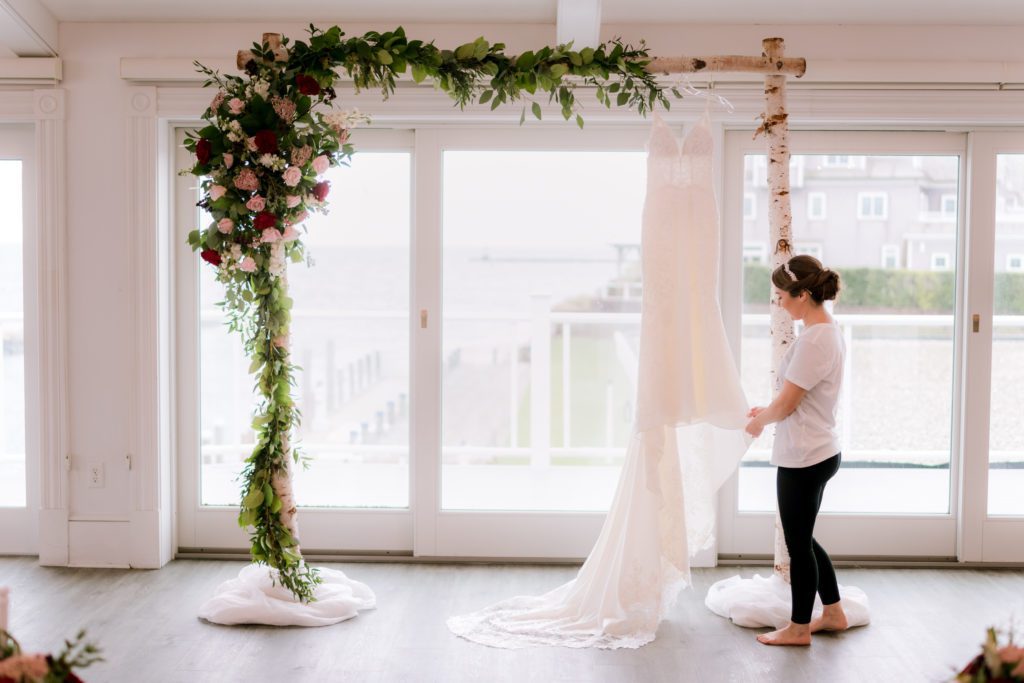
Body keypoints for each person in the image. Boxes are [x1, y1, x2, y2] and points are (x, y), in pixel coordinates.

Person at [744, 254, 849, 646]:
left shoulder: (816, 340)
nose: (780, 303)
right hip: (818, 449)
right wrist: (767, 410)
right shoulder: (827, 332)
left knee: (798, 544)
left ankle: (799, 628)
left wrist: (760, 421)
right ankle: (834, 612)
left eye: (783, 296)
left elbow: (788, 404)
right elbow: (795, 399)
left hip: (805, 456)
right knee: (803, 537)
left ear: (803, 294)